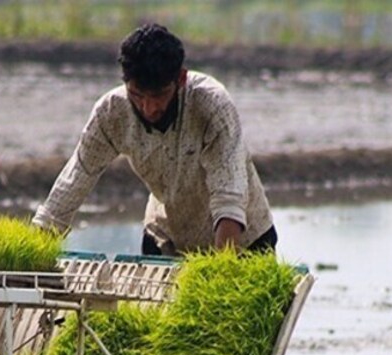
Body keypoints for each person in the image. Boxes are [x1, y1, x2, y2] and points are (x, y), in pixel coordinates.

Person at [32, 23, 277, 257]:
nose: (149, 108)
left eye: (159, 95)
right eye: (137, 95)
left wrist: (221, 272)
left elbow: (229, 193)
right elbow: (78, 175)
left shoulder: (211, 106)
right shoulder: (112, 114)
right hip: (167, 235)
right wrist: (33, 252)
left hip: (243, 240)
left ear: (180, 80)